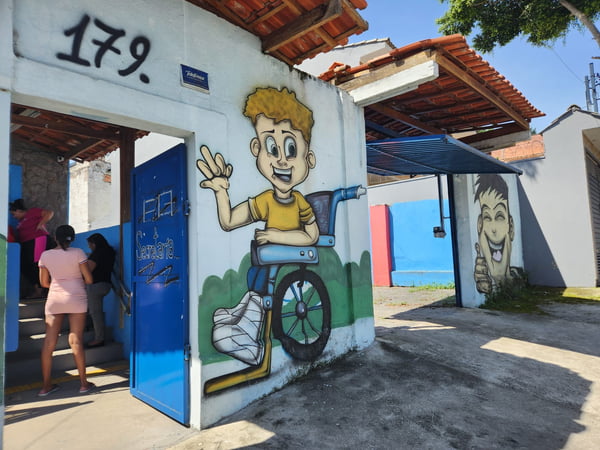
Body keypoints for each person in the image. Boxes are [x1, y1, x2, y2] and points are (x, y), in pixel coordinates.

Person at [196, 86, 318, 365]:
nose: (282, 160)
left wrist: (277, 235)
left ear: (308, 159)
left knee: (265, 260)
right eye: (272, 148)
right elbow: (227, 223)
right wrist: (221, 191)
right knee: (259, 265)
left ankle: (250, 332)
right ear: (257, 150)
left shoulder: (299, 201)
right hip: (267, 258)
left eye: (291, 148)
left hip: (289, 254)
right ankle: (247, 310)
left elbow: (312, 234)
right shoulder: (265, 200)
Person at [37, 225, 95, 396]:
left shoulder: (45, 255)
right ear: (73, 238)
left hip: (54, 299)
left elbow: (44, 283)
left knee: (49, 342)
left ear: (55, 237)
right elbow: (89, 279)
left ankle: (46, 386)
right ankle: (84, 384)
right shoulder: (78, 253)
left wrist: (58, 285)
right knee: (76, 339)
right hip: (76, 298)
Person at [9, 198, 55, 298]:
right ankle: (38, 288)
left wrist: (40, 224)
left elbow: (49, 213)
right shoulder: (21, 221)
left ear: (19, 210)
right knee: (25, 266)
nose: (14, 216)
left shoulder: (32, 212)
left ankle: (40, 290)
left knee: (36, 265)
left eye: (14, 214)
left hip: (37, 240)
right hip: (27, 244)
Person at [86, 233, 116, 348]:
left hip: (95, 286)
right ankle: (89, 328)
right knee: (94, 311)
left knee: (95, 313)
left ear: (94, 243)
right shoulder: (110, 252)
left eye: (90, 244)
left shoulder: (97, 254)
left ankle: (99, 339)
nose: (89, 247)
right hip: (106, 284)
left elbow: (88, 270)